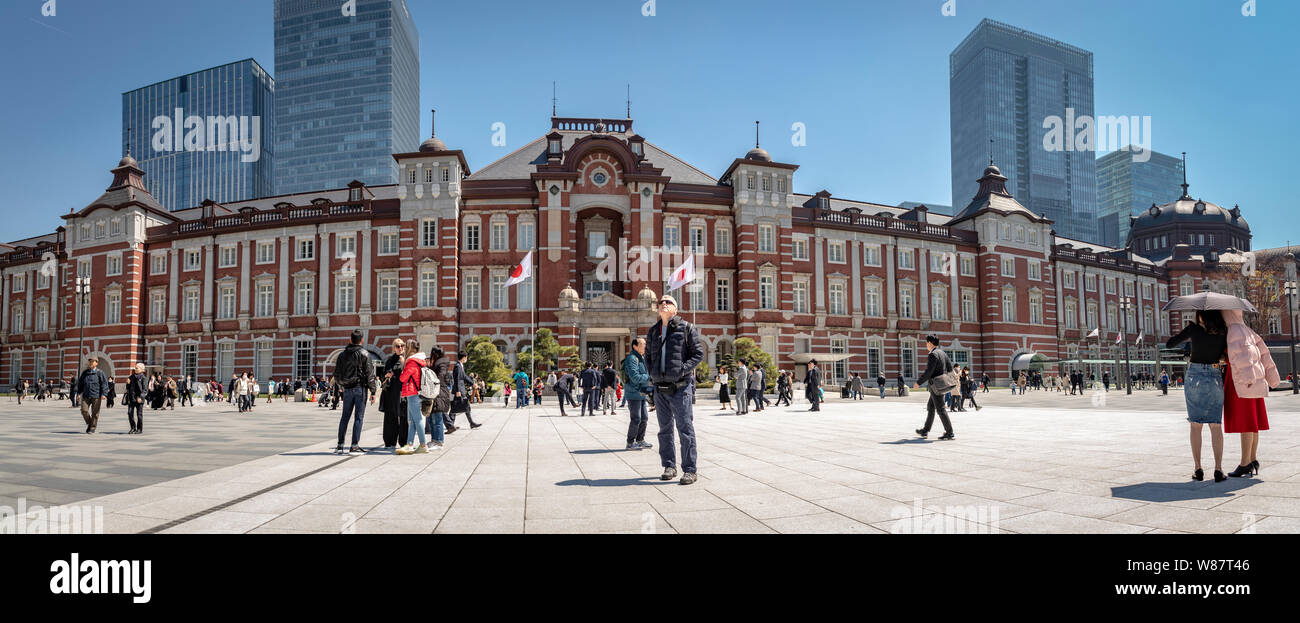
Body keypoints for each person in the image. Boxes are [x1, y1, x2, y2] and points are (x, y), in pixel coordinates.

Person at [645, 294, 703, 485]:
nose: (663, 304)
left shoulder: (686, 328)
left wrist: (683, 370)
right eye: (660, 302)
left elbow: (698, 354)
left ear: (675, 309)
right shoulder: (653, 331)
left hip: (680, 387)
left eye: (668, 302)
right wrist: (652, 374)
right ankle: (669, 466)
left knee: (685, 428)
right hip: (660, 388)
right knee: (664, 430)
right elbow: (647, 357)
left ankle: (690, 470)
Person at [1166, 311, 1229, 482]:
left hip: (1194, 375)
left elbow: (1170, 344)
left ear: (1200, 315)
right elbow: (1227, 354)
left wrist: (1189, 331)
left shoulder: (1193, 329)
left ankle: (1198, 468)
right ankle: (1218, 469)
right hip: (1215, 374)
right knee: (1215, 425)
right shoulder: (1223, 330)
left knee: (1195, 425)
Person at [1222, 309, 1279, 477]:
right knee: (1253, 424)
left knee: (1246, 423)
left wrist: (1246, 378)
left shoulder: (1232, 331)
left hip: (1243, 382)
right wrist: (1272, 378)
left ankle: (1245, 462)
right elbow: (1265, 355)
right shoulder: (1248, 330)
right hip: (1256, 381)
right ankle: (1252, 459)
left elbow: (1241, 358)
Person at [333, 330, 379, 456]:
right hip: (360, 388)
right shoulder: (365, 354)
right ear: (361, 340)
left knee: (344, 417)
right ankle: (354, 445)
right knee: (358, 417)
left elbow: (336, 374)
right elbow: (370, 374)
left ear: (350, 340)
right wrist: (373, 391)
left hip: (347, 389)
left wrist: (341, 384)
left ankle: (340, 445)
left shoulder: (342, 355)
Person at [914, 335, 956, 440]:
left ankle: (949, 432)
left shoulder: (933, 354)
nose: (926, 345)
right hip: (940, 385)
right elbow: (950, 368)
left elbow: (929, 372)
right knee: (931, 407)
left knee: (941, 409)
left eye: (926, 343)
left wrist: (918, 383)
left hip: (936, 385)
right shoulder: (942, 353)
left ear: (930, 343)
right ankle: (925, 430)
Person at [395, 351, 432, 455]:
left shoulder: (411, 363)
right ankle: (409, 444)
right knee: (411, 421)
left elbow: (402, 378)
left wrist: (403, 365)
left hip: (412, 393)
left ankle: (423, 445)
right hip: (418, 393)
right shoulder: (421, 363)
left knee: (417, 419)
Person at [622, 338, 655, 450]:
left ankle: (640, 440)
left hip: (641, 393)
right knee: (636, 418)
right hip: (633, 393)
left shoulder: (641, 358)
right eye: (643, 344)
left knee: (644, 418)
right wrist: (650, 377)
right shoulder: (632, 359)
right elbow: (635, 377)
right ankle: (630, 443)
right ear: (635, 346)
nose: (645, 346)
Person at [379, 339, 408, 450]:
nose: (400, 348)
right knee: (390, 417)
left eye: (402, 345)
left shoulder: (406, 360)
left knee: (403, 417)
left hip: (403, 392)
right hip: (391, 392)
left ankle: (403, 441)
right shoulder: (390, 360)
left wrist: (403, 363)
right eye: (397, 346)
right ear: (393, 348)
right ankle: (390, 442)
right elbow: (383, 375)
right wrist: (387, 375)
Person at [75, 358, 110, 434]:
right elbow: (80, 384)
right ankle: (90, 423)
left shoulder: (100, 373)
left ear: (96, 363)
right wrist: (78, 393)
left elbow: (104, 384)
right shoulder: (85, 373)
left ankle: (92, 428)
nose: (91, 363)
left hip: (96, 395)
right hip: (86, 395)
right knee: (84, 410)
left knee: (95, 413)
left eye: (92, 362)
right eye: (90, 362)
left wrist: (104, 394)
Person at [448, 351, 479, 430]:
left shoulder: (461, 366)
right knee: (464, 405)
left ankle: (450, 424)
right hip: (459, 390)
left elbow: (464, 377)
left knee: (457, 406)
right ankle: (470, 423)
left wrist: (472, 383)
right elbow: (457, 379)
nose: (466, 359)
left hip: (460, 389)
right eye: (466, 357)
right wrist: (458, 390)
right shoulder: (458, 366)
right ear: (464, 357)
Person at [126, 363, 147, 434]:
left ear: (142, 369)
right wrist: (128, 383)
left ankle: (139, 429)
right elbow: (128, 388)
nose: (135, 369)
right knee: (129, 413)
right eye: (135, 367)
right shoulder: (131, 377)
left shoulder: (143, 378)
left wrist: (141, 397)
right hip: (132, 398)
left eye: (137, 368)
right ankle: (133, 427)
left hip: (139, 399)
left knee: (139, 415)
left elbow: (145, 390)